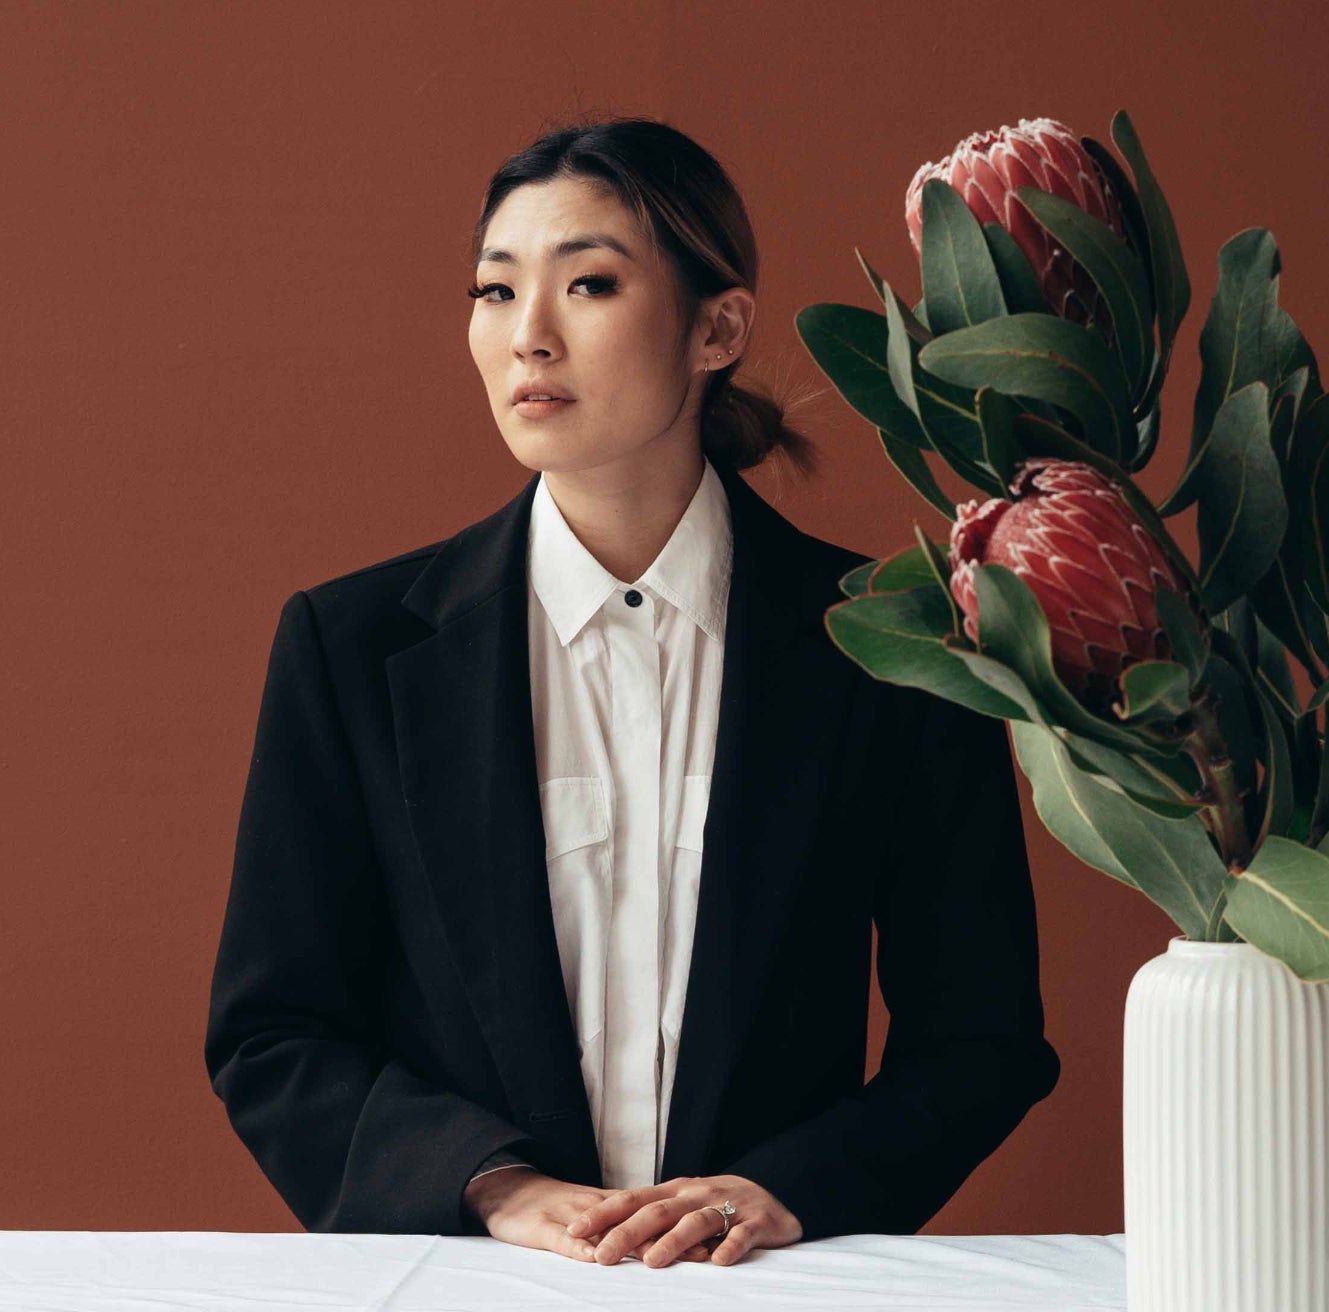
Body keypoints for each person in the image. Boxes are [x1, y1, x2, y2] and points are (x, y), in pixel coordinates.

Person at [204, 116, 1058, 1269]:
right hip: (466, 1278)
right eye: (494, 292)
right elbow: (272, 1031)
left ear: (719, 328)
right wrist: (491, 1187)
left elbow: (982, 1039)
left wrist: (783, 1190)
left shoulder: (892, 639)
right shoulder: (350, 646)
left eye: (589, 284)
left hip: (771, 1285)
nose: (529, 339)